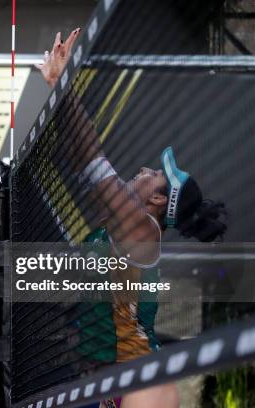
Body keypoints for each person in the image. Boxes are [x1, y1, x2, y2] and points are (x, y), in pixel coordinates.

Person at [36, 29, 227, 408]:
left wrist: (65, 82)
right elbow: (79, 157)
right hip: (103, 381)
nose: (142, 169)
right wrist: (58, 92)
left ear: (158, 198)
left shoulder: (142, 229)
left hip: (139, 380)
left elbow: (92, 158)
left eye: (152, 174)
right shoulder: (123, 223)